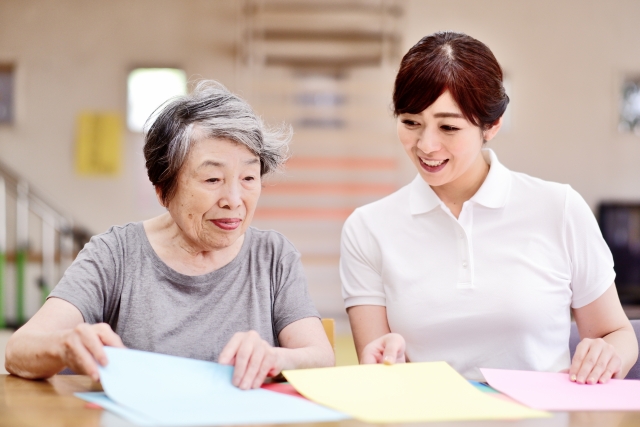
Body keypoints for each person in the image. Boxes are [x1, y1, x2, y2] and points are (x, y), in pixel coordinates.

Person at [341, 31, 638, 383]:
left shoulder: (559, 209)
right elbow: (376, 366)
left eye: (448, 127)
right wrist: (382, 361)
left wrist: (608, 353)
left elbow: (616, 334)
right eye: (410, 123)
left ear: (491, 126)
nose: (426, 144)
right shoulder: (368, 227)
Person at [5, 81, 334, 389]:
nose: (234, 200)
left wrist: (276, 358)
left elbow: (321, 359)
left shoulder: (273, 256)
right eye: (212, 180)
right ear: (163, 191)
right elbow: (18, 350)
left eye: (249, 177)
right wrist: (64, 345)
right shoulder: (114, 253)